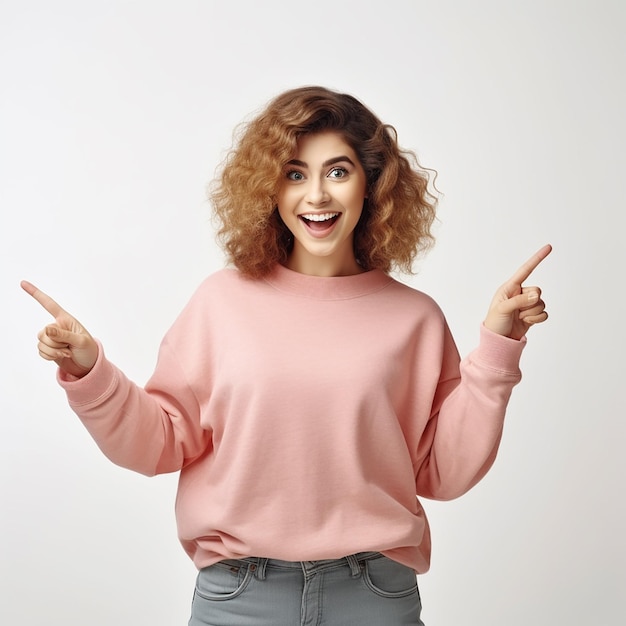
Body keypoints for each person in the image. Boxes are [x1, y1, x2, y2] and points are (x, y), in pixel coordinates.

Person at [22, 85, 551, 626]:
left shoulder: (413, 318)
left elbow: (444, 473)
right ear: (269, 189)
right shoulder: (221, 301)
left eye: (338, 172)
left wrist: (496, 348)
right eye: (295, 174)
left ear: (372, 185)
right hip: (240, 597)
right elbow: (158, 445)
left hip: (373, 596)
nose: (317, 195)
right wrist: (90, 371)